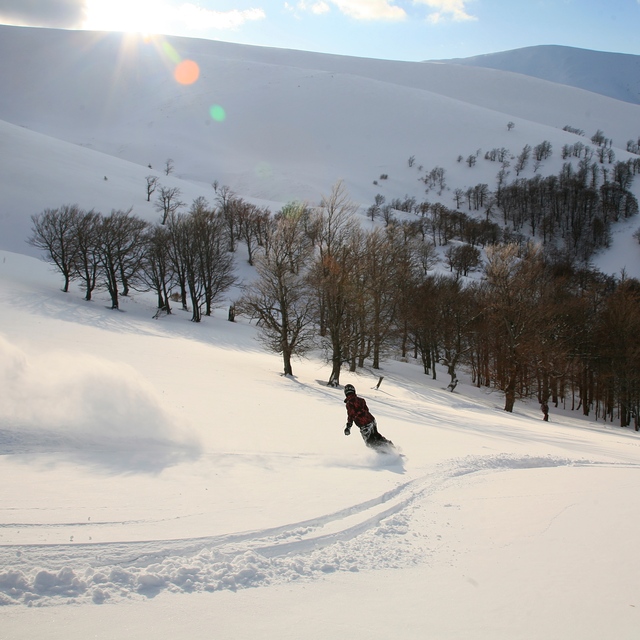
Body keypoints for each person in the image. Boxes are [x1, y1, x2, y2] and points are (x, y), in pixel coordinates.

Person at [343, 384, 393, 450]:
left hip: (364, 425)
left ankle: (384, 453)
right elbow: (366, 410)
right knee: (376, 436)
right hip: (372, 420)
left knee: (370, 443)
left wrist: (348, 427)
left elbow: (351, 415)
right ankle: (390, 447)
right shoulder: (361, 400)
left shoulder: (349, 403)